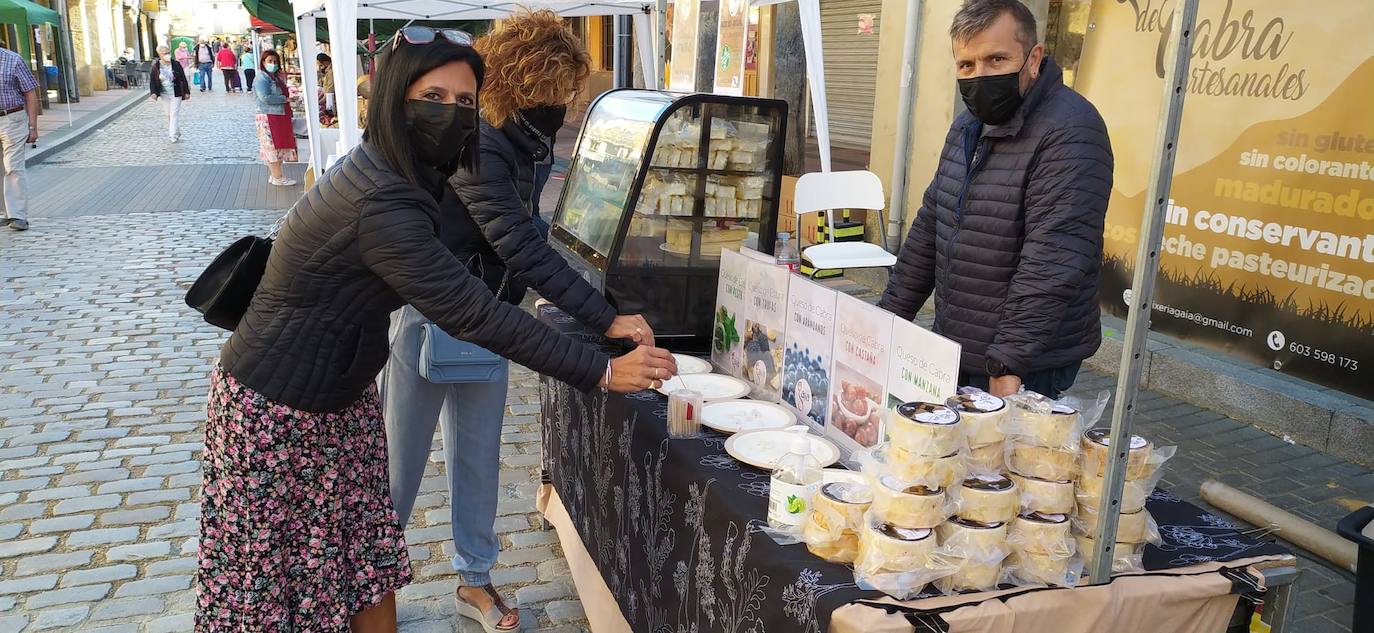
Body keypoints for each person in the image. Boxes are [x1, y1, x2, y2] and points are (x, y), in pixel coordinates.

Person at [196, 30, 675, 631]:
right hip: (278, 409)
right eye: (434, 96)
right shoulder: (381, 197)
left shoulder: (408, 174)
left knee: (364, 558)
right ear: (397, 98)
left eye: (466, 102)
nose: (452, 114)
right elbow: (471, 309)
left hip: (340, 399)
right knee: (278, 589)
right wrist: (601, 368)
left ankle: (464, 583)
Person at [381, 14, 633, 633]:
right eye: (556, 89)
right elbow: (518, 240)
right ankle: (367, 589)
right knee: (399, 463)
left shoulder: (526, 140)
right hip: (431, 314)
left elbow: (529, 236)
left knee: (478, 457)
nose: (562, 103)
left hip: (491, 317)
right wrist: (604, 314)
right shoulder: (483, 139)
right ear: (529, 81)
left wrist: (579, 290)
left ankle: (475, 580)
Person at [878, 0, 1113, 400]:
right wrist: (886, 319)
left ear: (1033, 58)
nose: (979, 76)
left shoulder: (1071, 130)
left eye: (996, 59)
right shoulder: (968, 124)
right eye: (966, 65)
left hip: (1025, 362)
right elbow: (931, 224)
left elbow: (1053, 258)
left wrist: (1008, 362)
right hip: (961, 344)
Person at [0, 45, 39, 232]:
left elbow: (30, 93)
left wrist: (32, 126)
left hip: (12, 118)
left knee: (12, 166)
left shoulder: (13, 60)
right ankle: (6, 212)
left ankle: (18, 215)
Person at [253, 50, 298, 186]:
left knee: (277, 147)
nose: (273, 64)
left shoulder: (274, 77)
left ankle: (275, 175)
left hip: (278, 115)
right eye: (270, 61)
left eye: (275, 61)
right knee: (272, 148)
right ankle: (278, 177)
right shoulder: (262, 78)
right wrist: (285, 99)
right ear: (263, 62)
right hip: (268, 116)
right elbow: (265, 97)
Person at [149, 45, 191, 143]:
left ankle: (172, 135)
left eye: (168, 52)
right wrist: (153, 93)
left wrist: (187, 92)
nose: (167, 55)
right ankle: (176, 132)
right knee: (169, 115)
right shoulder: (156, 66)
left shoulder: (176, 64)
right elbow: (153, 81)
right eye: (165, 53)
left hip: (176, 92)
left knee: (174, 114)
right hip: (164, 94)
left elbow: (183, 78)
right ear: (160, 54)